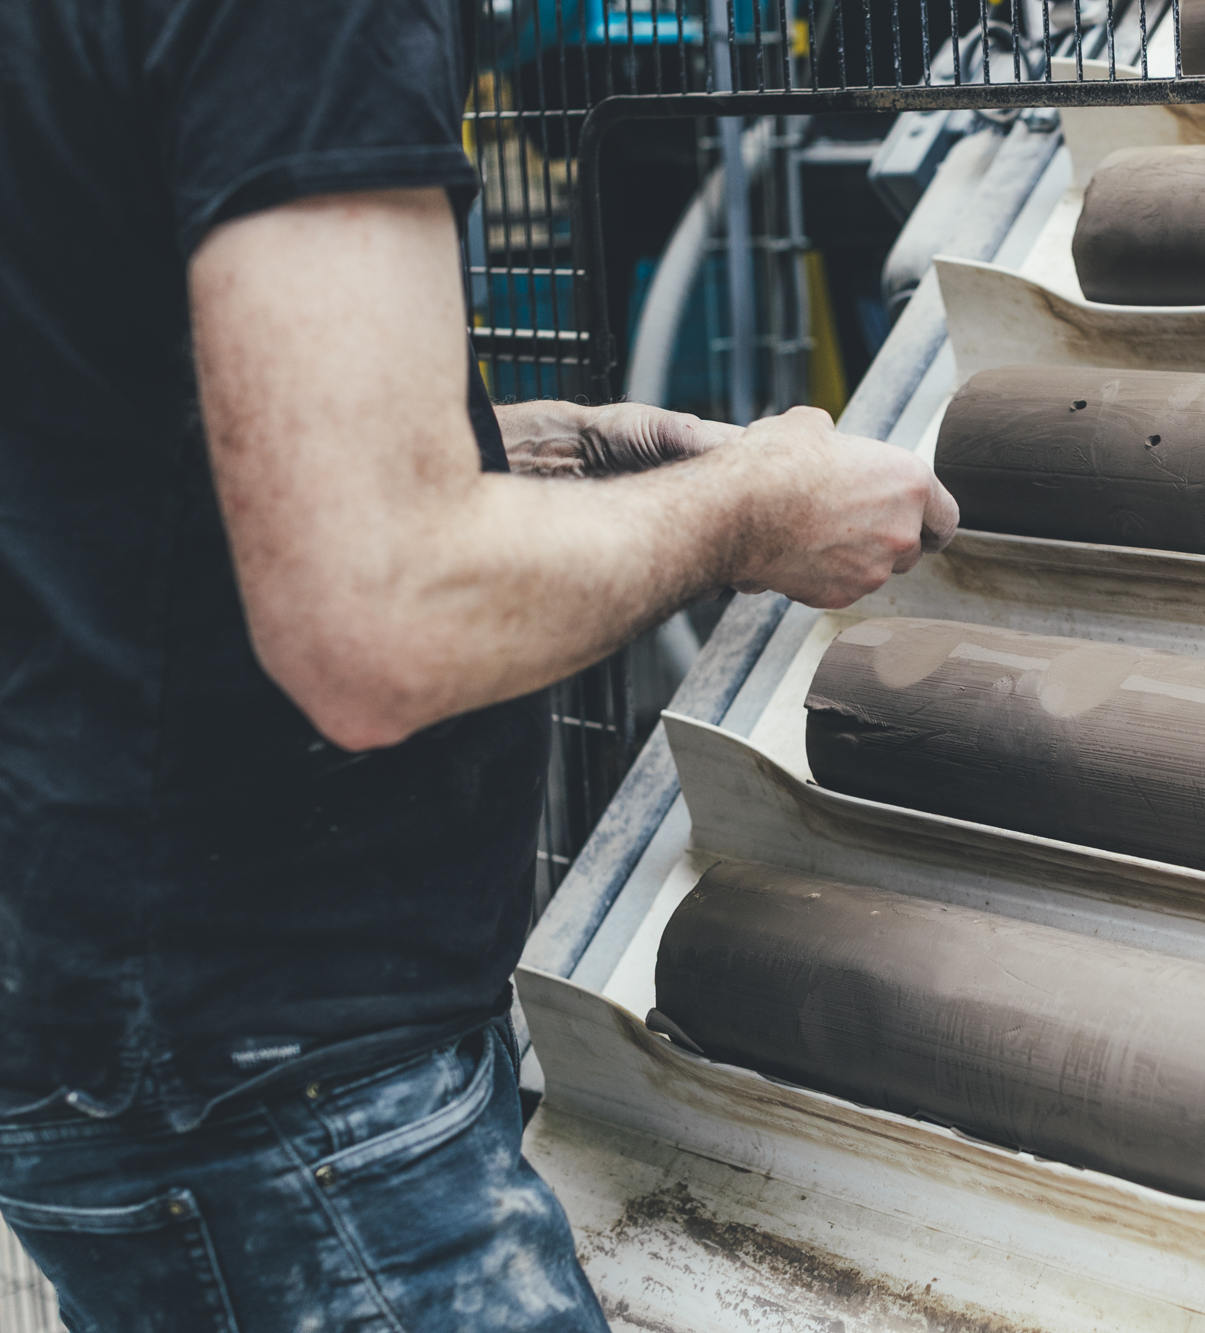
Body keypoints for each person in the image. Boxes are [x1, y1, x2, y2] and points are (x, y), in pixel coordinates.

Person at [0, 0, 957, 1328]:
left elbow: (112, 438)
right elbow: (376, 620)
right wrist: (753, 512)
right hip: (275, 1080)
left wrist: (517, 449)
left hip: (104, 1015)